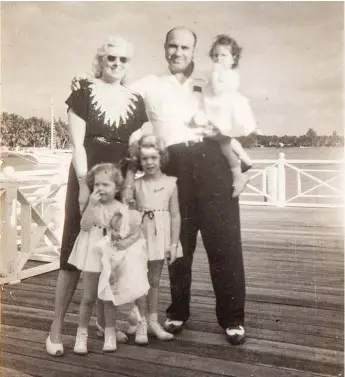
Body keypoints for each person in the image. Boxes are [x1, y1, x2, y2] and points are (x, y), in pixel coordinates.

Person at [72, 27, 247, 345]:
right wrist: (85, 78)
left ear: (194, 52)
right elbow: (113, 82)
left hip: (212, 165)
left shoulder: (208, 84)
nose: (178, 52)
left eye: (185, 47)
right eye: (173, 46)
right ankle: (178, 311)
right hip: (175, 163)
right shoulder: (148, 85)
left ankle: (233, 319)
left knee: (225, 243)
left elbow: (233, 119)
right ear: (165, 48)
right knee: (177, 243)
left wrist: (239, 167)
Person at [46, 35, 148, 356]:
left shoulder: (136, 101)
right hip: (86, 179)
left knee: (115, 251)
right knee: (73, 250)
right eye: (111, 58)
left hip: (118, 185)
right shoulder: (83, 92)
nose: (116, 64)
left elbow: (134, 154)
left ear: (129, 64)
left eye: (123, 60)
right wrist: (84, 188)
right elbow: (78, 145)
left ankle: (107, 322)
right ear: (101, 60)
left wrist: (129, 191)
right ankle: (56, 329)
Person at [68, 163, 149, 354]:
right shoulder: (92, 204)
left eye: (106, 185)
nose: (100, 189)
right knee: (88, 297)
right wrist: (92, 205)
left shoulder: (121, 208)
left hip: (111, 253)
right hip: (92, 250)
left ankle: (110, 333)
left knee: (109, 297)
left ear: (117, 188)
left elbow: (127, 232)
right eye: (97, 185)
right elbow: (85, 226)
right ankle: (82, 335)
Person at [129, 134, 182, 341]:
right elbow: (129, 213)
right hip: (140, 236)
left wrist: (174, 244)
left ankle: (153, 321)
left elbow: (175, 215)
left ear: (161, 158)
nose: (149, 162)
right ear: (139, 161)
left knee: (154, 280)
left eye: (153, 157)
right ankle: (141, 322)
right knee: (140, 279)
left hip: (161, 237)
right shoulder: (135, 184)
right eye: (144, 159)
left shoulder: (171, 183)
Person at [192, 34, 257, 197]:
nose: (218, 59)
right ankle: (245, 158)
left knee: (225, 141)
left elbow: (219, 89)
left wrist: (215, 73)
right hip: (213, 107)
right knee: (222, 139)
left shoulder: (231, 75)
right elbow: (203, 85)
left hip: (225, 110)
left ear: (233, 59)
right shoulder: (214, 72)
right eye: (215, 55)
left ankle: (238, 172)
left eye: (223, 55)